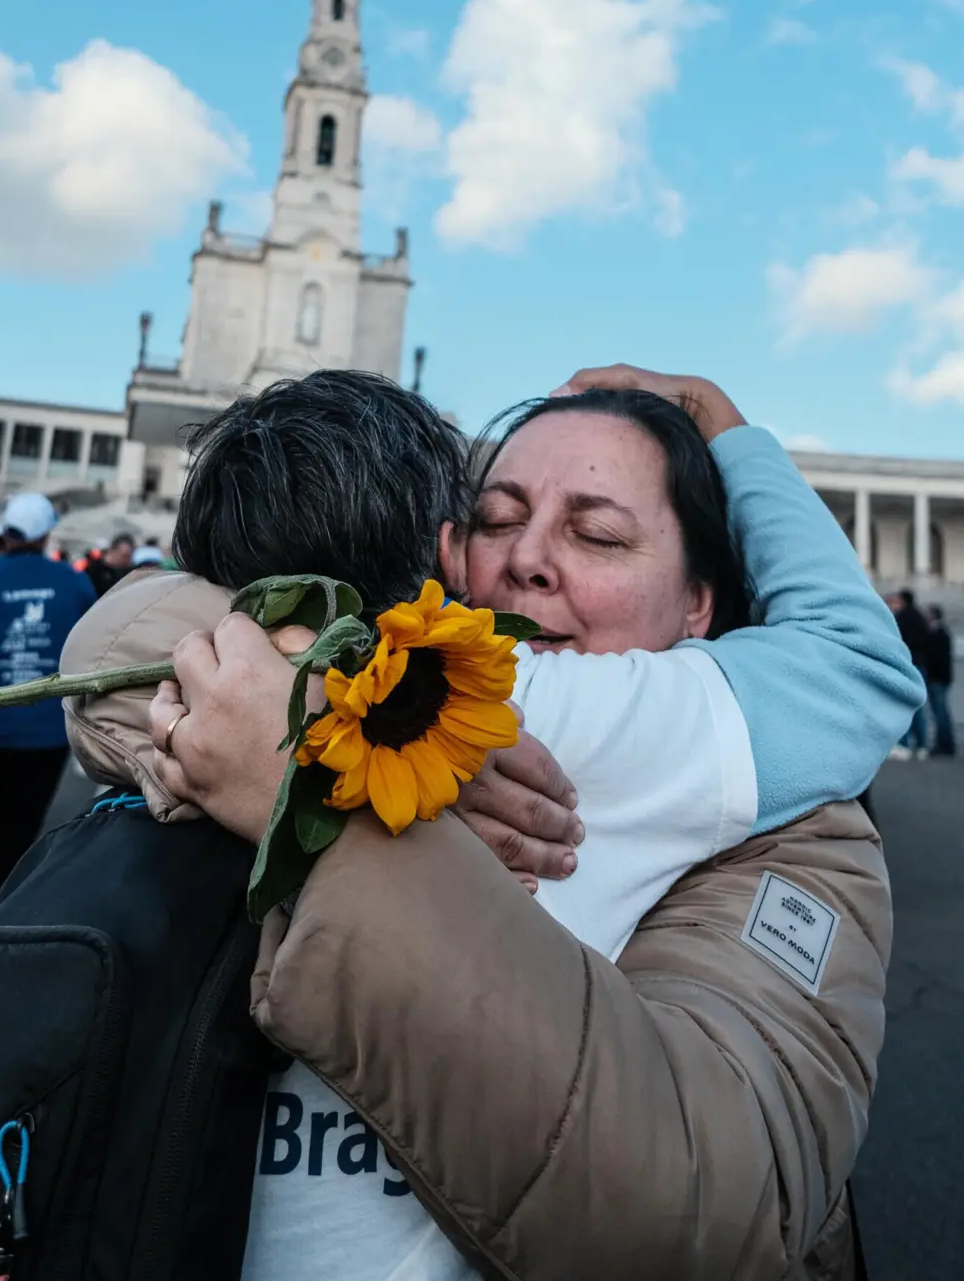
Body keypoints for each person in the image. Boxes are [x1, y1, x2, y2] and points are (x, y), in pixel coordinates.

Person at [150, 365, 919, 1281]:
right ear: (447, 554)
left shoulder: (552, 700)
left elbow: (127, 637)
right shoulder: (471, 686)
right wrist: (729, 428)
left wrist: (318, 735)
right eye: (496, 520)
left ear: (700, 603)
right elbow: (856, 659)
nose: (526, 559)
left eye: (598, 535)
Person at [0, 491, 96, 909]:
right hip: (44, 735)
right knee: (15, 836)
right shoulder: (75, 583)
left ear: (6, 533)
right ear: (45, 535)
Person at [890, 587, 932, 756]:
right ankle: (922, 744)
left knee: (903, 704)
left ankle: (904, 744)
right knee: (918, 707)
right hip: (919, 664)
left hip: (909, 663)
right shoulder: (920, 617)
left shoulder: (904, 617)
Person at [925, 604, 956, 756]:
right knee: (941, 712)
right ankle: (946, 743)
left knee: (940, 712)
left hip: (937, 679)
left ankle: (944, 744)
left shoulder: (938, 634)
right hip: (941, 678)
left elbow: (937, 658)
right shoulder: (942, 633)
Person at [83, 531, 135, 596]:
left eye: (130, 557)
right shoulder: (92, 570)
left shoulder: (127, 572)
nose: (127, 561)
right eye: (125, 556)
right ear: (113, 551)